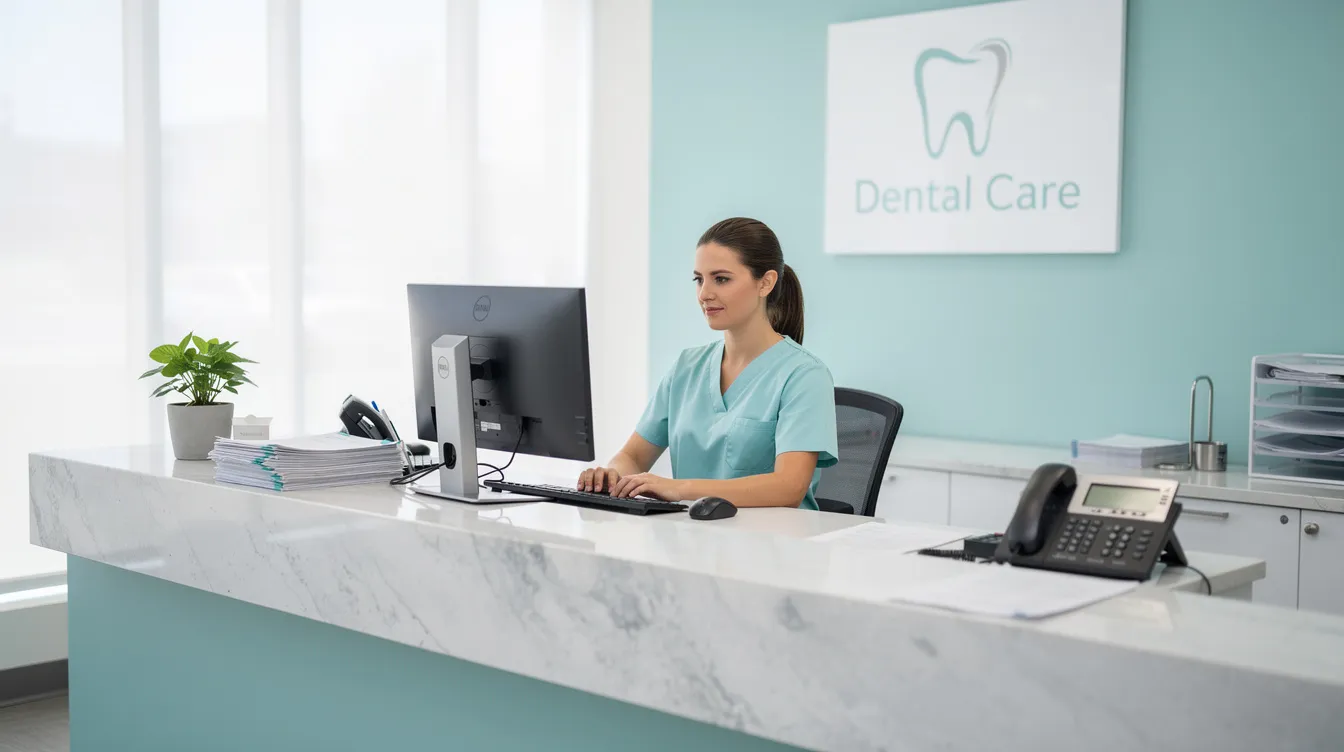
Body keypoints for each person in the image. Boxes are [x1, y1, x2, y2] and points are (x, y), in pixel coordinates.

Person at [577, 217, 838, 510]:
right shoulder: (686, 367)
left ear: (765, 283)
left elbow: (788, 487)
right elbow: (634, 457)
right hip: (694, 539)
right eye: (699, 279)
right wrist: (611, 475)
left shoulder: (804, 375)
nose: (704, 294)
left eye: (721, 279)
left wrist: (679, 489)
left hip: (774, 546)